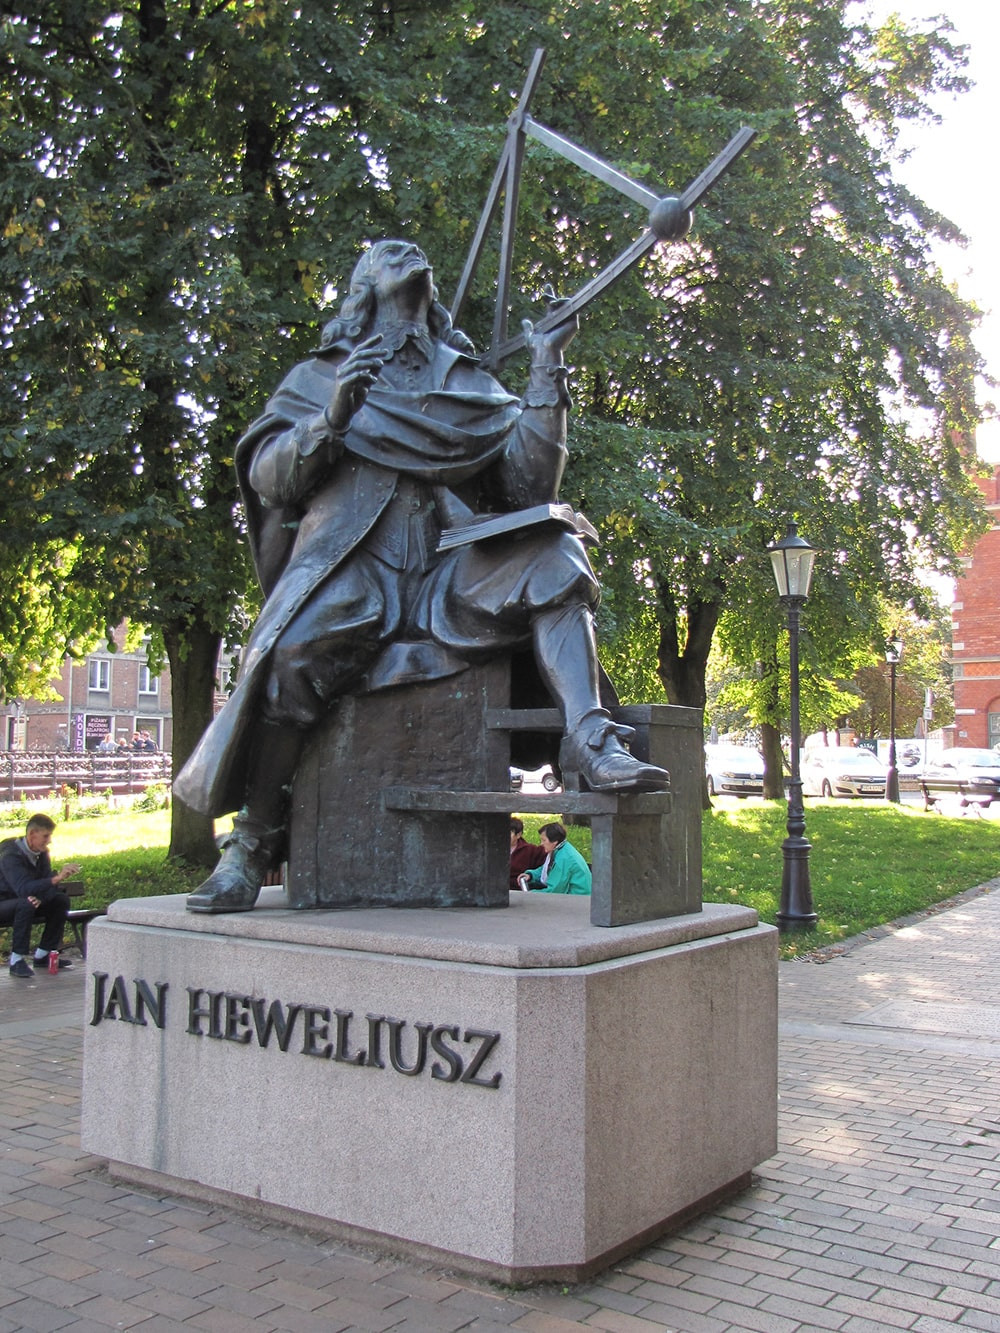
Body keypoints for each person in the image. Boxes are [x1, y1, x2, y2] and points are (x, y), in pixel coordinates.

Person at [174, 239, 667, 913]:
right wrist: (333, 417)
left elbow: (526, 482)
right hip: (353, 570)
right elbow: (268, 475)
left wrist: (548, 366)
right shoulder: (320, 375)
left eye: (413, 249)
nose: (406, 248)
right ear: (362, 289)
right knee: (291, 657)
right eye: (385, 251)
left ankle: (592, 737)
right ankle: (252, 841)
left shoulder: (462, 378)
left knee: (556, 551)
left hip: (446, 571)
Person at [0, 814, 80, 977]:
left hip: (27, 902)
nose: (49, 840)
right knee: (26, 902)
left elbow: (49, 886)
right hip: (4, 904)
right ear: (32, 834)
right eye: (46, 836)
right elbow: (23, 888)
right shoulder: (9, 855)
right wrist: (56, 878)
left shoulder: (43, 854)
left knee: (60, 900)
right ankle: (16, 960)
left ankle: (43, 955)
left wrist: (42, 896)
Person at [517, 822, 591, 895]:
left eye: (544, 840)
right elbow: (547, 869)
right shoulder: (561, 849)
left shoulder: (563, 859)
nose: (541, 844)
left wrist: (529, 895)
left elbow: (554, 891)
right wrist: (531, 875)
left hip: (579, 900)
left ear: (554, 841)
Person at [509, 817, 545, 891]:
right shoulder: (492, 849)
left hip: (519, 890)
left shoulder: (530, 850)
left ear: (518, 835)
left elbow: (548, 863)